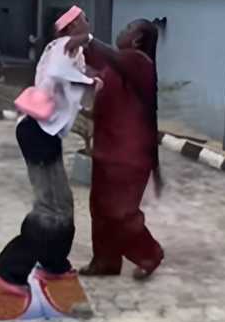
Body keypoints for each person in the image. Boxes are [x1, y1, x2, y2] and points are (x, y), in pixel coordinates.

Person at [0, 6, 97, 295]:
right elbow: (62, 74)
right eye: (83, 18)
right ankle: (7, 271)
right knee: (51, 208)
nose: (87, 21)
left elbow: (75, 93)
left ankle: (54, 264)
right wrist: (91, 82)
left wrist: (92, 87)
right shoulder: (62, 47)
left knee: (62, 203)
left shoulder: (68, 49)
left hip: (44, 133)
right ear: (71, 26)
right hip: (37, 132)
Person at [67, 18, 166, 279]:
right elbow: (90, 60)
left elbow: (104, 54)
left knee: (120, 212)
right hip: (107, 150)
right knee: (99, 209)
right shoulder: (117, 64)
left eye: (127, 28)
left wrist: (87, 38)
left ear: (136, 40)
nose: (120, 30)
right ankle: (106, 262)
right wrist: (73, 35)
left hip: (129, 156)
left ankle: (150, 253)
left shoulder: (138, 61)